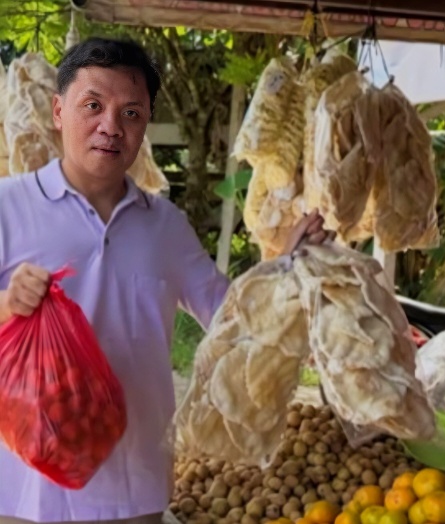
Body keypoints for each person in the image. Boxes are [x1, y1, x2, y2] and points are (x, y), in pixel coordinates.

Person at [0, 38, 331, 524]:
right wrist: (8, 302)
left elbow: (229, 315)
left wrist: (286, 262)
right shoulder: (8, 205)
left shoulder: (166, 225)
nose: (110, 126)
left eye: (131, 113)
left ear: (145, 126)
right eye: (92, 105)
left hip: (134, 488)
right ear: (58, 110)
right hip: (24, 483)